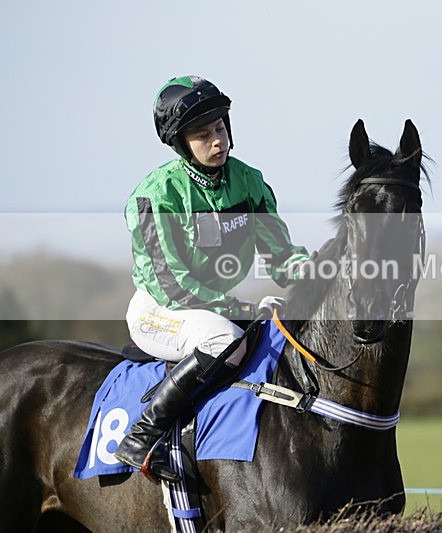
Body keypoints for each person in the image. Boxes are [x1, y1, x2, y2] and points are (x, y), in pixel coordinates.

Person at [114, 75, 309, 482]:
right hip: (161, 309)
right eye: (203, 135)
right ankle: (142, 436)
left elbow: (281, 256)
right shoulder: (155, 195)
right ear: (181, 143)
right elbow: (172, 285)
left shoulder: (249, 181)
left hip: (212, 307)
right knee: (226, 341)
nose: (217, 141)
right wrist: (238, 307)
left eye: (220, 128)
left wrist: (325, 271)